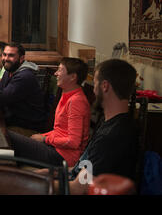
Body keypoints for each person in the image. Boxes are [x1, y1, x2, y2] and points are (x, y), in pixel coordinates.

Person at [44, 59, 138, 194]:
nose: (93, 90)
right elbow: (83, 167)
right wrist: (47, 172)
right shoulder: (113, 123)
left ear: (104, 86)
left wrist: (32, 183)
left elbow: (78, 188)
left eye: (94, 83)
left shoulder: (112, 137)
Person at [7, 57, 91, 167]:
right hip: (55, 148)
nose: (56, 73)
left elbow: (73, 141)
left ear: (73, 77)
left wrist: (45, 139)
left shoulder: (76, 101)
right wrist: (43, 136)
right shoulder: (67, 94)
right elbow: (60, 130)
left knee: (7, 135)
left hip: (63, 157)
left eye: (60, 70)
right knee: (11, 143)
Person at [0, 42, 47, 135]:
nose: (6, 59)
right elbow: (0, 91)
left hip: (27, 128)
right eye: (4, 55)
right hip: (13, 121)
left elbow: (0, 99)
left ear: (21, 58)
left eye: (11, 55)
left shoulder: (24, 76)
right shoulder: (10, 71)